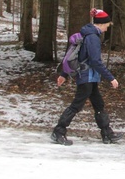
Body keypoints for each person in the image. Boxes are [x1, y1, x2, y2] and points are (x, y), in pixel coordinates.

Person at [52, 9, 121, 146]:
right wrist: (111, 78)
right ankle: (59, 131)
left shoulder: (86, 34)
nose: (107, 29)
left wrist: (64, 75)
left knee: (98, 104)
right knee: (76, 105)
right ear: (101, 24)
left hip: (90, 77)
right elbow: (95, 61)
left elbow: (75, 55)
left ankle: (107, 133)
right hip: (87, 77)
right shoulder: (92, 37)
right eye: (107, 25)